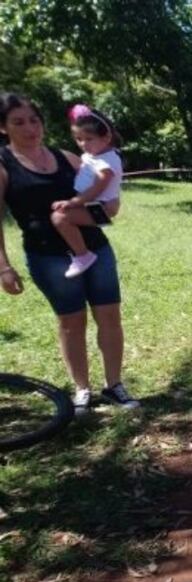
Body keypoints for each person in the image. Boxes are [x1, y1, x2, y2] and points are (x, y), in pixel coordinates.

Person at [0, 93, 139, 414]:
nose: (30, 128)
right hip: (48, 256)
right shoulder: (5, 165)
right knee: (71, 322)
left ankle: (114, 386)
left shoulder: (67, 157)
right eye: (18, 122)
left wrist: (108, 210)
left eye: (34, 120)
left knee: (109, 316)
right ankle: (82, 390)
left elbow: (107, 197)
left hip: (96, 248)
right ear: (4, 128)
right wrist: (4, 267)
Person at [49, 104, 124, 279]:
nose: (83, 144)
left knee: (60, 218)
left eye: (89, 139)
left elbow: (96, 189)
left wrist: (72, 202)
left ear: (106, 138)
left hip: (102, 207)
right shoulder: (95, 156)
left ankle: (83, 255)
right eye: (78, 138)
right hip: (93, 204)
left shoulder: (106, 164)